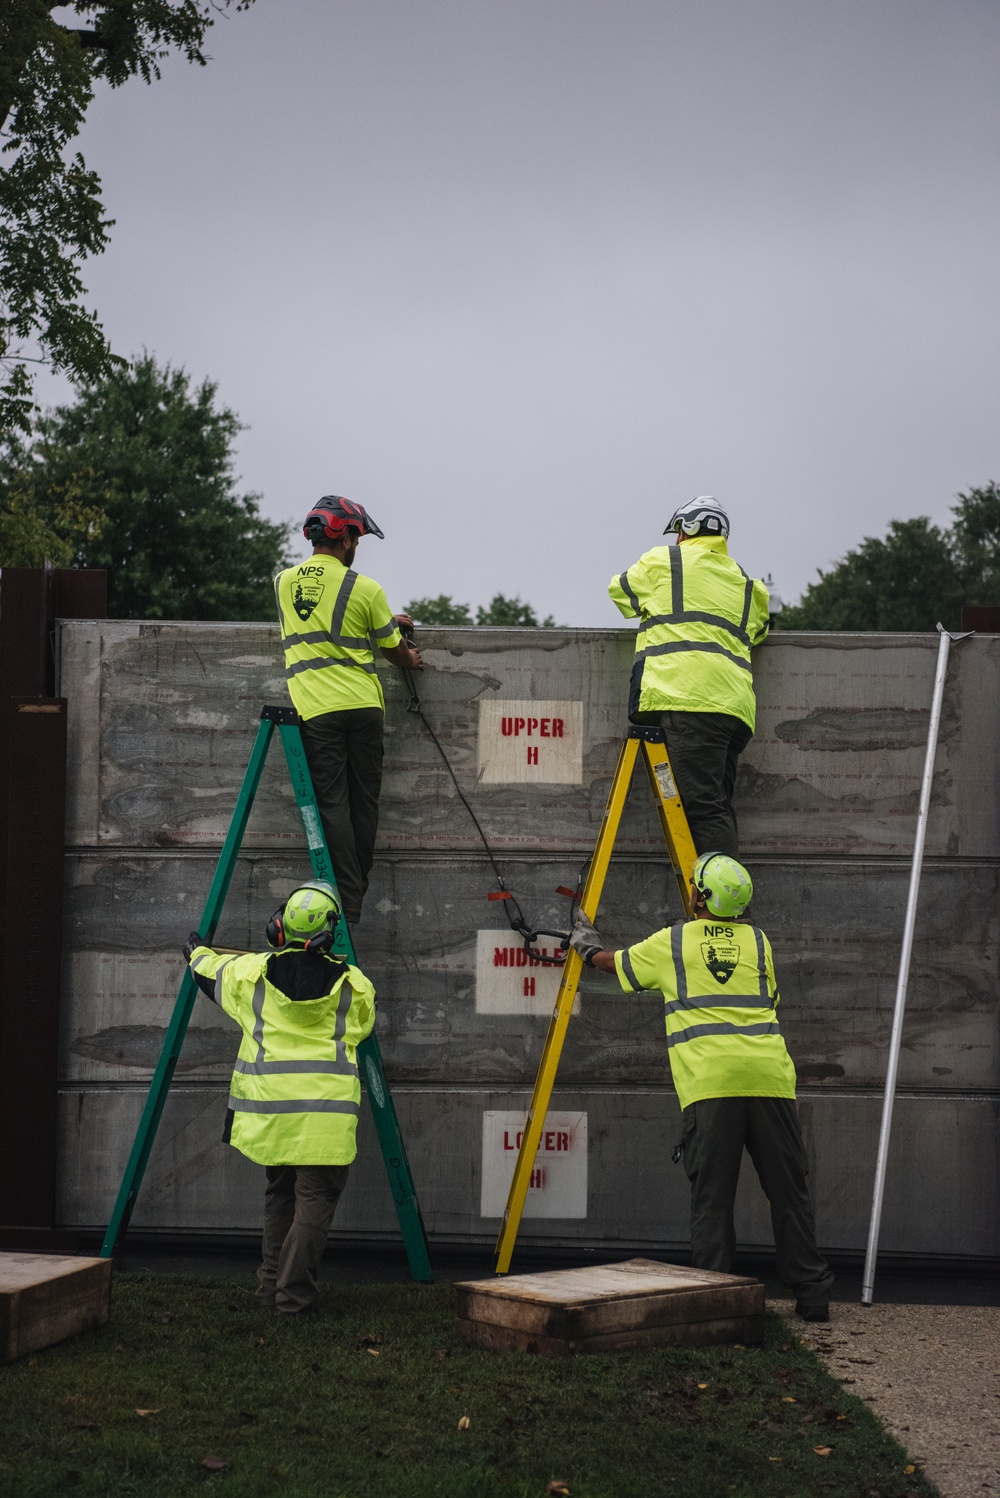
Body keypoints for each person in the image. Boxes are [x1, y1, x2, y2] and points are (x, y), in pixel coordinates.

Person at [569, 851, 833, 1322]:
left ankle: (714, 1298)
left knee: (713, 1196)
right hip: (770, 1080)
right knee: (788, 1190)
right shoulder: (758, 942)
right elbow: (769, 998)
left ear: (700, 896)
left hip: (712, 1086)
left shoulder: (674, 942)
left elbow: (618, 965)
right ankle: (812, 1293)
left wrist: (587, 947)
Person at [185, 881, 375, 1315]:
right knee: (315, 1201)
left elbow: (205, 970)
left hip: (271, 1116)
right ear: (329, 932)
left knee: (281, 1193)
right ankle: (293, 1299)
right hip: (325, 1121)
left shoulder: (249, 974)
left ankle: (270, 1289)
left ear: (278, 926)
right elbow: (361, 1029)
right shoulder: (355, 987)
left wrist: (196, 948)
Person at [274, 497, 423, 925]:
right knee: (365, 803)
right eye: (357, 535)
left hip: (317, 710)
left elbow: (317, 619)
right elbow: (393, 650)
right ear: (346, 537)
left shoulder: (282, 582)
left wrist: (383, 620)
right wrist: (411, 659)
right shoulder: (367, 588)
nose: (358, 543)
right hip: (364, 708)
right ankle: (355, 891)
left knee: (332, 803)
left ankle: (346, 896)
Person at [608, 496, 770, 857]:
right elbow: (758, 633)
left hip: (687, 699)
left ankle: (721, 908)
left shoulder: (663, 561)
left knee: (701, 810)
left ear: (686, 529)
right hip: (734, 711)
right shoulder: (749, 586)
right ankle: (720, 896)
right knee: (717, 805)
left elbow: (620, 593)